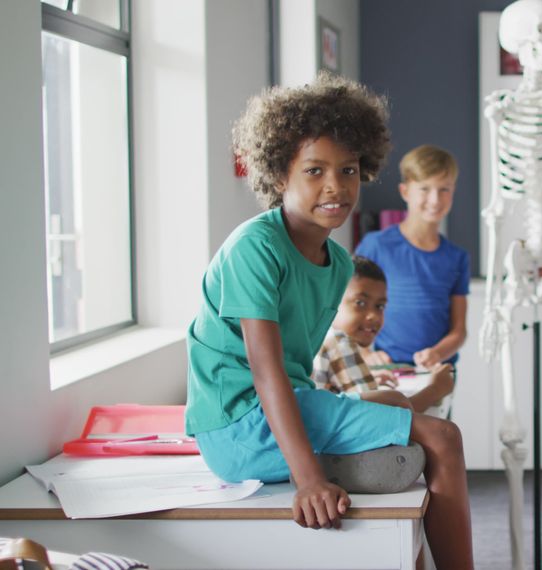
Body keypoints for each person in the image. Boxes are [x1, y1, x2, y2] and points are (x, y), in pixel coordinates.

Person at [184, 73, 473, 568]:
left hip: (285, 406)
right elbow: (267, 370)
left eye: (349, 170)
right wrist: (308, 479)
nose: (335, 186)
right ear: (279, 174)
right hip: (240, 427)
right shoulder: (255, 247)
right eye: (314, 171)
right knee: (443, 437)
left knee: (388, 399)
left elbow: (299, 371)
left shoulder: (337, 263)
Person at [354, 144, 469, 369]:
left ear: (453, 191)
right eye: (425, 189)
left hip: (436, 371)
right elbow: (350, 308)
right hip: (385, 369)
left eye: (444, 189)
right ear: (405, 191)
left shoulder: (457, 257)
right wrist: (366, 353)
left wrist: (437, 354)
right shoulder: (375, 246)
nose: (435, 199)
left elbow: (459, 331)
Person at [312, 255, 455, 415]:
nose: (373, 315)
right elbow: (381, 418)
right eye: (360, 303)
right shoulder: (338, 341)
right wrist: (435, 389)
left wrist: (368, 378)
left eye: (380, 306)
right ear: (330, 299)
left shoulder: (320, 336)